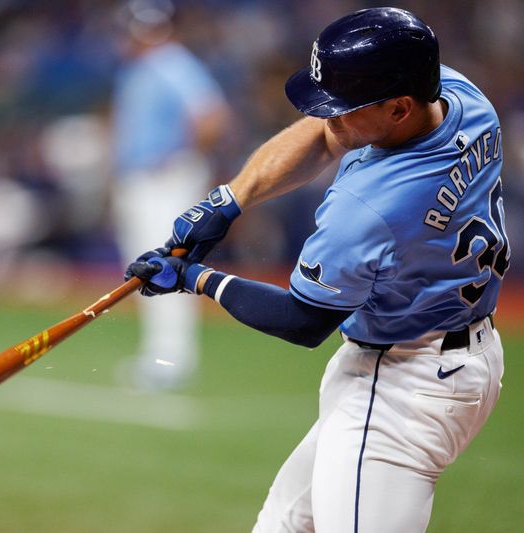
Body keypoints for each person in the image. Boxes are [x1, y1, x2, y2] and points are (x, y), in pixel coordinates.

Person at [126, 7, 507, 532]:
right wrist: (228, 200)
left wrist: (196, 279)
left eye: (345, 106)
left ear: (398, 108)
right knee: (281, 525)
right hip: (458, 352)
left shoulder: (369, 208)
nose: (329, 117)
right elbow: (324, 136)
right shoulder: (463, 97)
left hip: (404, 385)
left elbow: (303, 320)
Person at [110, 0, 231, 389]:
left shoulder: (172, 62)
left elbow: (212, 116)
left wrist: (179, 157)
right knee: (145, 269)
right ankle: (158, 356)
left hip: (164, 179)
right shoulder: (139, 69)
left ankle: (170, 359)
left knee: (164, 268)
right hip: (140, 179)